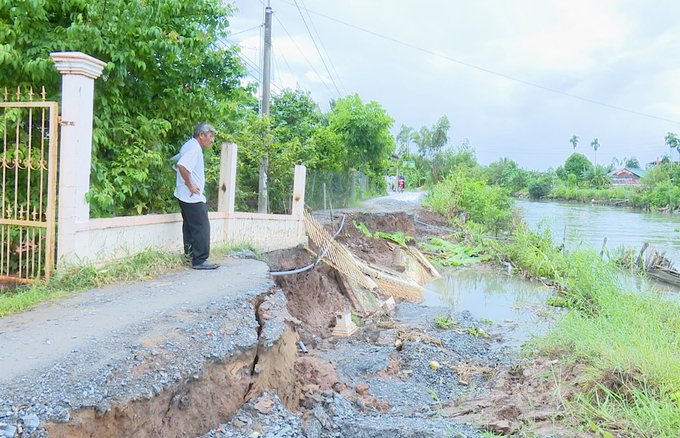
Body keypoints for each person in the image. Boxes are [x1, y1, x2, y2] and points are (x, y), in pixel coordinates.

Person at [172, 122, 219, 270]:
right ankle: (200, 260)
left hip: (184, 194)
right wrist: (190, 184)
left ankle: (190, 256)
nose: (212, 140)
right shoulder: (194, 148)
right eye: (210, 137)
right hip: (192, 196)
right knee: (201, 227)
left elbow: (174, 164)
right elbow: (182, 166)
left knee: (190, 227)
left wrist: (184, 181)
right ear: (201, 135)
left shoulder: (188, 146)